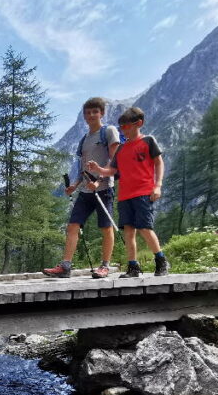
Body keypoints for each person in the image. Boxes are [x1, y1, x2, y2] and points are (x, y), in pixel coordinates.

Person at [86, 106, 169, 277]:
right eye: (120, 127)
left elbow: (159, 162)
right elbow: (111, 171)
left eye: (125, 126)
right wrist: (98, 168)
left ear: (138, 123)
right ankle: (133, 267)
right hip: (125, 195)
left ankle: (161, 261)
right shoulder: (121, 149)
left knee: (145, 228)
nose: (122, 130)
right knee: (129, 231)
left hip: (144, 192)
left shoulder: (148, 141)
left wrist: (158, 185)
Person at [43, 97, 120, 279]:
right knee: (72, 226)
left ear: (102, 113)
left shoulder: (108, 132)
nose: (91, 115)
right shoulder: (84, 140)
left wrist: (100, 180)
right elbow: (82, 168)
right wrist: (74, 185)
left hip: (104, 189)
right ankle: (65, 266)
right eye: (88, 112)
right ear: (84, 116)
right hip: (85, 191)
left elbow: (115, 162)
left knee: (105, 228)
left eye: (95, 111)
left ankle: (105, 266)